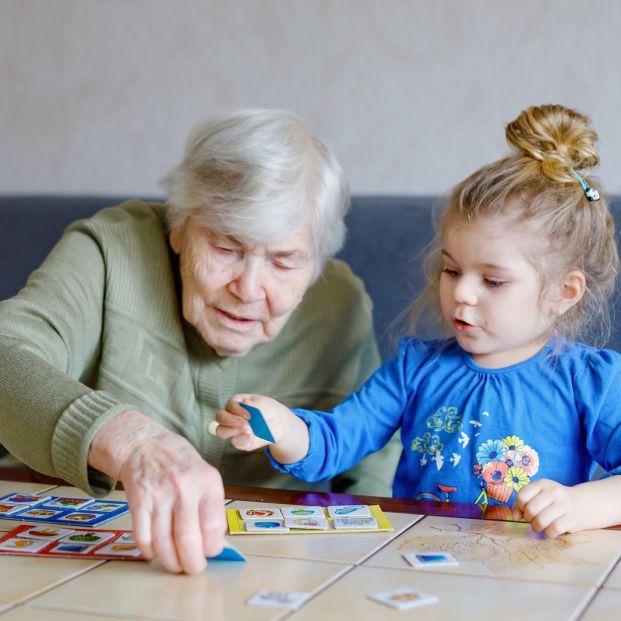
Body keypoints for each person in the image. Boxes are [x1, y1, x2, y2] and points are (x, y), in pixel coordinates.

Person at [0, 109, 401, 574]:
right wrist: (131, 442)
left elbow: (373, 473)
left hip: (268, 574)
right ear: (179, 225)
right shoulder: (111, 252)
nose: (249, 289)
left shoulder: (339, 305)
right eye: (227, 247)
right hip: (82, 555)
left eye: (285, 261)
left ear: (316, 264)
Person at [216, 103, 621, 538]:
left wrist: (580, 506)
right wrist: (282, 427)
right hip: (421, 573)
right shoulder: (414, 370)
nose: (461, 292)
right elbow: (335, 442)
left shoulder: (591, 382)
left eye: (493, 280)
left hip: (529, 580)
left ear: (564, 292)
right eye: (451, 270)